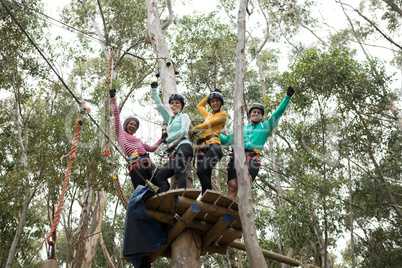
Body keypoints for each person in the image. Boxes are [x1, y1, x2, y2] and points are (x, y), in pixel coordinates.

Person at [220, 86, 295, 200]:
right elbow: (225, 141)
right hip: (236, 156)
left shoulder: (265, 127)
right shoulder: (241, 128)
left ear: (261, 116)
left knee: (246, 184)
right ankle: (227, 212)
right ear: (250, 114)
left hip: (252, 156)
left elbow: (277, 114)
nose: (256, 113)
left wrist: (287, 97)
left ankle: (243, 212)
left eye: (259, 112)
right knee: (232, 187)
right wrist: (213, 132)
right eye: (254, 111)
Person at [109, 88, 164, 189]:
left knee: (164, 184)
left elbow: (152, 149)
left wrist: (162, 139)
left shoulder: (139, 141)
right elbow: (116, 115)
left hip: (148, 163)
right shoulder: (120, 133)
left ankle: (163, 200)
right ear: (126, 125)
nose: (133, 126)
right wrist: (112, 98)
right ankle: (143, 201)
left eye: (135, 126)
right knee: (140, 189)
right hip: (135, 163)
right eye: (131, 124)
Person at [150, 82, 193, 192]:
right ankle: (163, 199)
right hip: (174, 151)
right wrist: (154, 90)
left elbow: (183, 131)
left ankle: (182, 197)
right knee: (160, 176)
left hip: (184, 146)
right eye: (172, 103)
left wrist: (167, 140)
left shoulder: (184, 116)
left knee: (179, 171)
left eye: (177, 103)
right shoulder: (169, 119)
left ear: (181, 105)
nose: (174, 104)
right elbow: (159, 106)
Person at [192, 89, 227, 194]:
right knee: (203, 173)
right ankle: (206, 196)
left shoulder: (222, 115)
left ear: (221, 102)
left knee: (201, 171)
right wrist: (209, 94)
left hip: (214, 146)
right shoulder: (208, 115)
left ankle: (208, 196)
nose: (215, 103)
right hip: (202, 148)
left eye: (217, 101)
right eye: (212, 101)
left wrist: (193, 130)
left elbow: (205, 125)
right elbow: (200, 106)